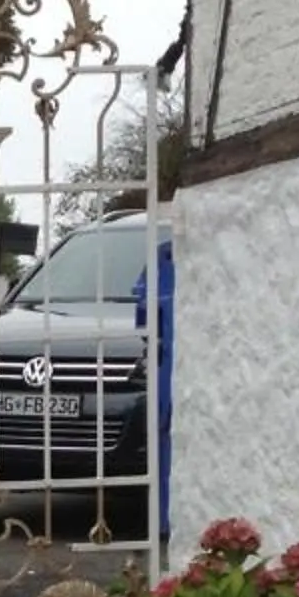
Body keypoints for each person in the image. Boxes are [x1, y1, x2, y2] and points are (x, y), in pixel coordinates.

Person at [135, 231, 174, 548]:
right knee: (162, 433)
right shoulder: (160, 260)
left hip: (165, 364)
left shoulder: (161, 261)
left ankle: (163, 519)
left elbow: (143, 321)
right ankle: (161, 518)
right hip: (164, 364)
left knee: (165, 434)